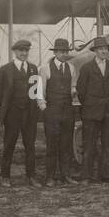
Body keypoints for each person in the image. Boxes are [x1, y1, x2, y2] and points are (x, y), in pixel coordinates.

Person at [0, 38, 41, 187]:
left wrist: (33, 111)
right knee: (9, 145)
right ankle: (5, 176)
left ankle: (31, 176)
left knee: (30, 146)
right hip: (12, 114)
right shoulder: (4, 70)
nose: (24, 53)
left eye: (26, 50)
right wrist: (7, 111)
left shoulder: (33, 69)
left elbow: (35, 92)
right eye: (21, 50)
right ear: (15, 52)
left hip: (29, 114)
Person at [75, 36, 109, 182]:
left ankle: (106, 175)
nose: (103, 51)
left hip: (108, 112)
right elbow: (81, 91)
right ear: (95, 51)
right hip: (91, 112)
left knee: (107, 144)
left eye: (105, 48)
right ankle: (86, 176)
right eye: (100, 49)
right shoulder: (86, 68)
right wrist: (91, 104)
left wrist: (108, 103)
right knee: (89, 145)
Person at [38, 37, 79, 186]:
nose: (63, 54)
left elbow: (73, 86)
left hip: (68, 111)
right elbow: (39, 93)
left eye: (66, 51)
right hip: (52, 111)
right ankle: (50, 177)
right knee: (52, 145)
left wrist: (73, 92)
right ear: (55, 52)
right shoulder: (45, 68)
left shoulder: (72, 68)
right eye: (61, 51)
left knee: (66, 144)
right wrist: (45, 109)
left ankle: (66, 175)